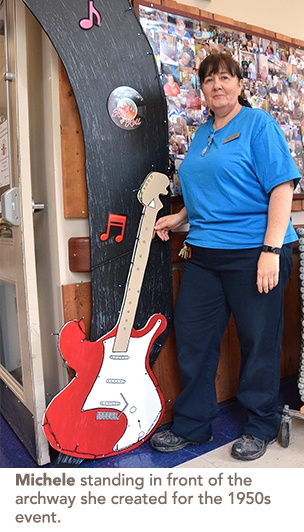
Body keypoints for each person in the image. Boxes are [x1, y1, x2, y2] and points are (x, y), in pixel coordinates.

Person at [151, 53, 300, 461]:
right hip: (204, 253)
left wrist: (271, 250)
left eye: (225, 78)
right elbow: (206, 191)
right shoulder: (201, 136)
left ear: (239, 84)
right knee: (195, 341)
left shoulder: (258, 125)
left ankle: (260, 425)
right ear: (201, 89)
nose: (218, 85)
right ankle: (192, 425)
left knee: (258, 342)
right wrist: (177, 217)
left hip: (254, 252)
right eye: (209, 80)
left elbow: (282, 188)